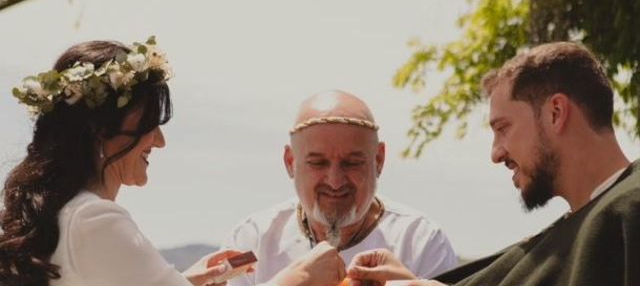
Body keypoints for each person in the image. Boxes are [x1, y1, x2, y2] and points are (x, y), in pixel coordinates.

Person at [0, 38, 346, 286]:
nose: (161, 141)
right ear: (100, 131)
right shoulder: (93, 219)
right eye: (149, 125)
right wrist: (299, 277)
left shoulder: (63, 215)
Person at [347, 42, 640, 286]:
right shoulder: (580, 225)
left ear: (555, 113)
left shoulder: (629, 208)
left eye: (503, 128)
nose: (496, 153)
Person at [224, 90, 457, 286]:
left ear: (378, 160)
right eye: (318, 163)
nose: (335, 181)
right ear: (290, 162)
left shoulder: (421, 242)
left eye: (352, 163)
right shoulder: (250, 242)